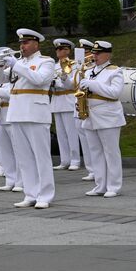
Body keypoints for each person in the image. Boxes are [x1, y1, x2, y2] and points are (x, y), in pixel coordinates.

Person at [0, 29, 57, 209]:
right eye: (21, 43)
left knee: (41, 157)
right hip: (17, 112)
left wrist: (15, 64)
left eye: (26, 42)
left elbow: (38, 80)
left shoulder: (46, 61)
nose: (22, 46)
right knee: (24, 157)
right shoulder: (18, 63)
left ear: (36, 44)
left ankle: (45, 195)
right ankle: (30, 194)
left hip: (36, 113)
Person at [77, 41, 125, 198]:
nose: (94, 56)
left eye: (98, 53)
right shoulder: (90, 71)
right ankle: (100, 185)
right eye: (93, 53)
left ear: (108, 54)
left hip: (108, 116)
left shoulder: (115, 71)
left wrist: (92, 84)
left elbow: (115, 93)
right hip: (90, 115)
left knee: (111, 152)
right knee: (95, 152)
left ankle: (114, 186)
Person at [0, 47, 21, 194]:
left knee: (18, 151)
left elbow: (17, 93)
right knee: (6, 151)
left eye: (3, 58)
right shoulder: (4, 74)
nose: (1, 61)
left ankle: (20, 181)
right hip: (2, 114)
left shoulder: (18, 71)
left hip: (13, 114)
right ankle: (10, 179)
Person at [50, 39, 82, 172]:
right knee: (61, 134)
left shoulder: (74, 65)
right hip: (57, 101)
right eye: (57, 49)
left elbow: (74, 84)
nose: (58, 51)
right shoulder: (53, 66)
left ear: (68, 50)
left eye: (61, 49)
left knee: (71, 133)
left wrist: (59, 82)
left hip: (68, 99)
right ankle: (64, 160)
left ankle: (75, 160)